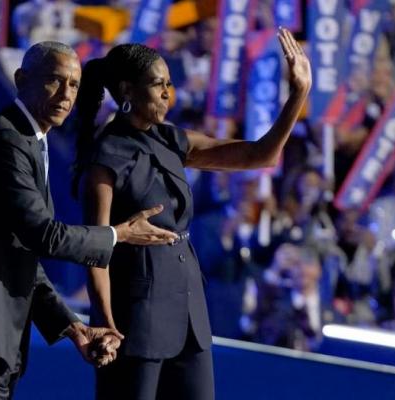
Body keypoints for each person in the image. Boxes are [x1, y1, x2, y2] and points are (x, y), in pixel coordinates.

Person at [0, 41, 177, 400]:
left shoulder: (29, 141)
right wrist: (118, 234)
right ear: (21, 78)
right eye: (55, 81)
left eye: (74, 85)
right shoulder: (4, 141)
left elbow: (21, 253)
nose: (66, 94)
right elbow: (44, 236)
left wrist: (72, 327)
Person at [73, 27, 310, 400]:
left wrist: (298, 94)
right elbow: (95, 249)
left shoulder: (169, 138)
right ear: (127, 91)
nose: (168, 92)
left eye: (169, 83)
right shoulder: (106, 156)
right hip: (134, 319)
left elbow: (260, 155)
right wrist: (103, 322)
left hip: (188, 314)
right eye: (157, 84)